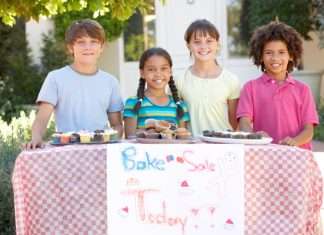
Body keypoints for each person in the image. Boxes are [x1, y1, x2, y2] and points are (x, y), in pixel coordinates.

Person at [26, 19, 124, 149]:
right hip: (66, 149)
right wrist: (36, 137)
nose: (88, 47)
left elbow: (116, 124)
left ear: (102, 47)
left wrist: (112, 142)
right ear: (70, 47)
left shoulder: (111, 82)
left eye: (93, 42)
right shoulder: (55, 78)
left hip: (100, 149)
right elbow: (42, 118)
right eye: (81, 42)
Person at [237, 21, 319, 149]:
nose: (275, 58)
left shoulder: (303, 90)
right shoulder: (250, 88)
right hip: (263, 155)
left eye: (281, 52)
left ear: (291, 55)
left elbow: (309, 130)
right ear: (260, 56)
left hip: (297, 156)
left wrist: (295, 141)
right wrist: (255, 136)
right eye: (269, 52)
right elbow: (244, 123)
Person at [175, 19, 240, 136]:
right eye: (197, 42)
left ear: (217, 44)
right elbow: (179, 121)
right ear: (188, 45)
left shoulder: (231, 80)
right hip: (192, 147)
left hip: (224, 145)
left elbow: (234, 122)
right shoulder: (179, 80)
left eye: (209, 41)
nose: (203, 46)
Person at [123, 47, 190, 138]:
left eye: (163, 68)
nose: (158, 74)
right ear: (142, 73)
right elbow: (130, 137)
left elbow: (183, 138)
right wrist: (150, 132)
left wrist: (182, 134)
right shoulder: (133, 103)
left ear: (170, 71)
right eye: (151, 69)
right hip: (144, 152)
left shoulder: (180, 106)